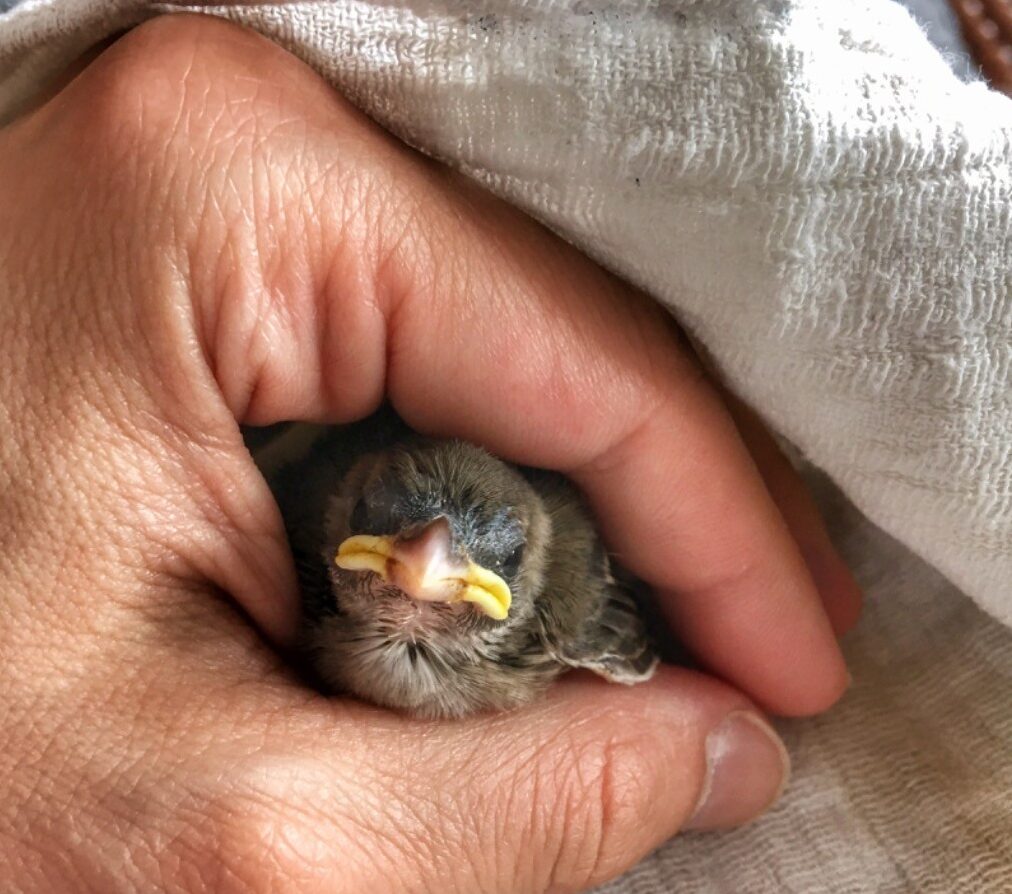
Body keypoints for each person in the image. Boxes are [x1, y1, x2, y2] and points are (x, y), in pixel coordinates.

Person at [0, 16, 862, 893]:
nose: (426, 564)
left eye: (472, 555)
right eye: (397, 532)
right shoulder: (282, 535)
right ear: (341, 521)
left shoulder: (567, 613)